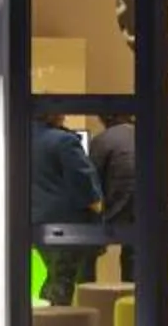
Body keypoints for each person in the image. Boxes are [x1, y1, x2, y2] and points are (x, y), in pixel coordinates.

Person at [29, 112, 104, 304]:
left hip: (36, 219)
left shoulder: (22, 138)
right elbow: (82, 179)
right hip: (67, 223)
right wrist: (95, 204)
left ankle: (45, 323)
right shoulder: (64, 142)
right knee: (63, 278)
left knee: (56, 274)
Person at [92, 112, 139, 281]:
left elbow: (93, 179)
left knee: (87, 254)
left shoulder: (102, 140)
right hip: (144, 208)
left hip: (116, 206)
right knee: (134, 256)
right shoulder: (145, 135)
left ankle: (84, 299)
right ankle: (132, 300)